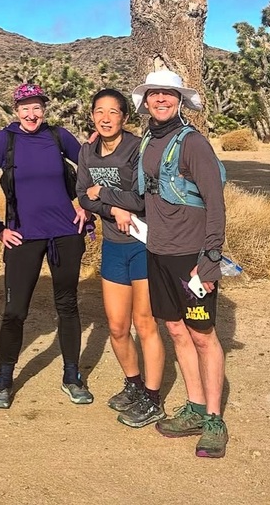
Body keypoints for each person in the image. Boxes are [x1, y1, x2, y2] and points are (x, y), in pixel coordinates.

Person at [132, 68, 229, 459]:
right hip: (158, 252)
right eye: (155, 93)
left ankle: (213, 419)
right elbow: (144, 196)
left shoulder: (193, 144)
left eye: (168, 94)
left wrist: (210, 260)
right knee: (175, 329)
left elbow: (216, 204)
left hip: (192, 258)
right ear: (146, 101)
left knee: (203, 334)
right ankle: (192, 405)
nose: (161, 99)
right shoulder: (148, 143)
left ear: (180, 100)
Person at [0, 83, 91, 409]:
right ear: (16, 110)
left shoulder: (59, 136)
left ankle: (71, 377)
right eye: (25, 108)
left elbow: (91, 166)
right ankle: (4, 381)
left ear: (45, 108)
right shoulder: (6, 140)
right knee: (14, 311)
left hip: (65, 234)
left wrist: (86, 204)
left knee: (67, 306)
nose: (31, 114)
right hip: (22, 237)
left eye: (37, 107)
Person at [76, 88, 165, 428]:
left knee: (145, 323)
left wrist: (107, 194)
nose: (106, 118)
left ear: (124, 117)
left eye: (113, 112)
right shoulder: (88, 152)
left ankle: (153, 399)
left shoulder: (136, 148)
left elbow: (142, 198)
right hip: (113, 245)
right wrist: (111, 206)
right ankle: (134, 383)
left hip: (143, 243)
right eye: (100, 111)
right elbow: (84, 196)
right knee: (116, 326)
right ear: (92, 116)